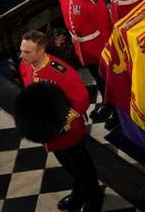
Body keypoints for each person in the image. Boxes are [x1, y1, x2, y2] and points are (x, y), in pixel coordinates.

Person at [18, 30, 102, 211]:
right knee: (69, 167)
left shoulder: (61, 72)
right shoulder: (25, 66)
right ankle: (78, 194)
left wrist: (61, 124)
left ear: (41, 51)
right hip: (49, 134)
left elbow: (81, 100)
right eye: (22, 50)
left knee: (82, 169)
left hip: (68, 132)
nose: (21, 55)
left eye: (27, 52)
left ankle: (93, 199)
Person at [57, 0, 114, 123]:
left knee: (108, 79)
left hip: (98, 49)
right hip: (82, 48)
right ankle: (107, 103)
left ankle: (116, 110)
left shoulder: (93, 2)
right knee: (98, 79)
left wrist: (106, 54)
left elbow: (105, 31)